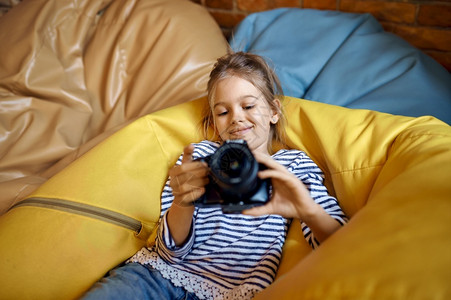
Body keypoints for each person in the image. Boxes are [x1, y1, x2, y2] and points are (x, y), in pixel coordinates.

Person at [82, 52, 347, 300]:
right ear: (214, 122)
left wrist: (307, 209)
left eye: (249, 105)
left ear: (274, 112)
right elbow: (170, 253)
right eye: (223, 112)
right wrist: (182, 203)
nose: (236, 118)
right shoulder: (199, 156)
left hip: (234, 293)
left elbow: (342, 243)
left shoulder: (293, 165)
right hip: (157, 277)